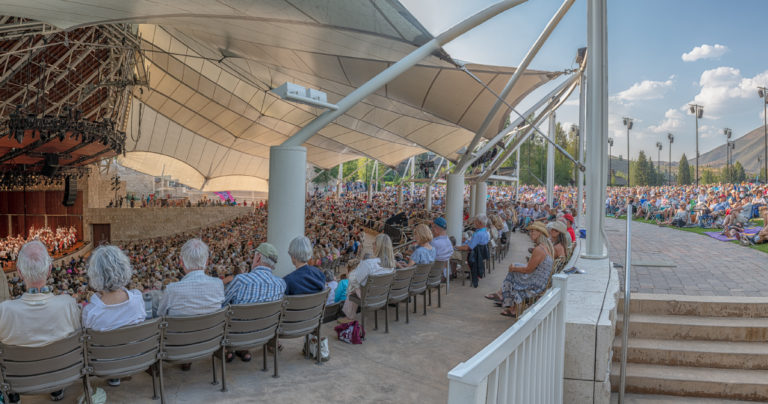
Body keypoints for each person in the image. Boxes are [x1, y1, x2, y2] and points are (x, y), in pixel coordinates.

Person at [0, 241, 81, 403]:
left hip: (18, 379)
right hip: (61, 374)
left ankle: (13, 395)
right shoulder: (69, 305)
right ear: (50, 270)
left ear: (19, 273)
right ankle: (56, 389)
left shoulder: (4, 311)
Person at [82, 245, 146, 386]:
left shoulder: (91, 312)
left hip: (103, 364)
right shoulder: (137, 300)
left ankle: (114, 375)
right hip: (134, 357)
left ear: (95, 274)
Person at [157, 238, 224, 371]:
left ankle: (186, 359)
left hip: (178, 346)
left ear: (181, 261)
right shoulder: (218, 284)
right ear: (207, 261)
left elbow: (160, 317)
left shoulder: (172, 289)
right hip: (210, 342)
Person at [221, 242, 285, 362]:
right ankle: (242, 350)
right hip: (265, 334)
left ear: (259, 258)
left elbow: (221, 305)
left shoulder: (241, 280)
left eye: (254, 256)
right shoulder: (281, 284)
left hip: (236, 336)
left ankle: (230, 350)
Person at [489, 222, 554, 318]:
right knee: (515, 268)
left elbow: (528, 270)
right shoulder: (546, 247)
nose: (530, 233)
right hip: (541, 281)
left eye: (533, 231)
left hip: (536, 285)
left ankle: (509, 303)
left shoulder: (539, 249)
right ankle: (507, 301)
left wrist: (514, 268)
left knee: (513, 272)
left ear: (540, 233)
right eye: (530, 231)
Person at [340, 233, 396, 321]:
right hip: (382, 296)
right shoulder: (392, 265)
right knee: (356, 285)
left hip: (368, 296)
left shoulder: (369, 263)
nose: (372, 246)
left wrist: (354, 271)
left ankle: (349, 317)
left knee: (352, 287)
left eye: (374, 244)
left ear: (378, 247)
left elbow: (353, 279)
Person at [456, 215, 490, 288]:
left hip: (475, 255)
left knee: (453, 253)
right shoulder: (486, 232)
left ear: (479, 223)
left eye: (475, 221)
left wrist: (456, 247)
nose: (474, 223)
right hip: (481, 254)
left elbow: (468, 248)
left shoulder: (477, 234)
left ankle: (452, 273)